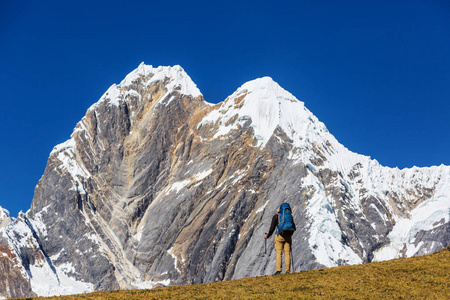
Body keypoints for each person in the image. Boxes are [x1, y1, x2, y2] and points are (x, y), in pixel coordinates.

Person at [264, 203, 296, 275]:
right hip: (288, 236)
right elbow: (293, 227)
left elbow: (272, 228)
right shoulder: (290, 217)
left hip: (279, 237)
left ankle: (278, 270)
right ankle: (287, 270)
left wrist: (268, 235)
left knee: (279, 254)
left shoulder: (276, 217)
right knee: (287, 253)